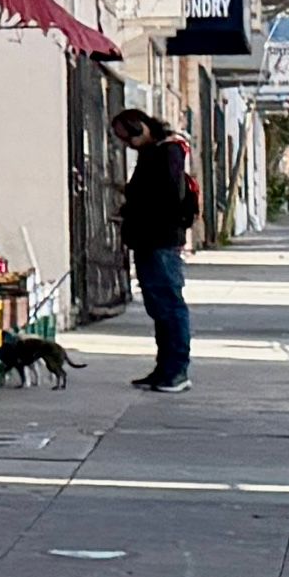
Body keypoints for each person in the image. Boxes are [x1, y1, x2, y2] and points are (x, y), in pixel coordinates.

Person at [112, 108, 198, 392]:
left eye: (129, 137)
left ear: (141, 127)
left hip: (160, 239)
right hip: (147, 238)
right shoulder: (152, 153)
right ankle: (164, 368)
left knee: (169, 304)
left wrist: (136, 206)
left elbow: (167, 196)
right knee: (159, 307)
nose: (128, 144)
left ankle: (176, 370)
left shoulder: (167, 151)